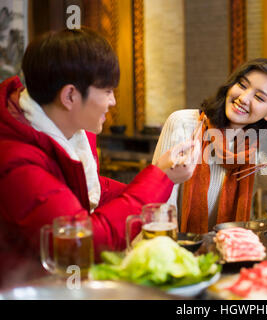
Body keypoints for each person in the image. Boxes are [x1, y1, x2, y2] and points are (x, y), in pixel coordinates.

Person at [0, 28, 197, 288]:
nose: (113, 102)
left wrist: (154, 184)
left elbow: (86, 190)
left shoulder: (69, 134)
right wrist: (159, 179)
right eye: (107, 91)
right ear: (70, 96)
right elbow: (83, 241)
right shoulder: (16, 162)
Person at [152, 58, 267, 234]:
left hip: (235, 249)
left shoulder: (261, 151)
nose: (243, 98)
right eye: (242, 85)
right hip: (183, 249)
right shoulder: (184, 124)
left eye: (259, 97)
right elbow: (159, 201)